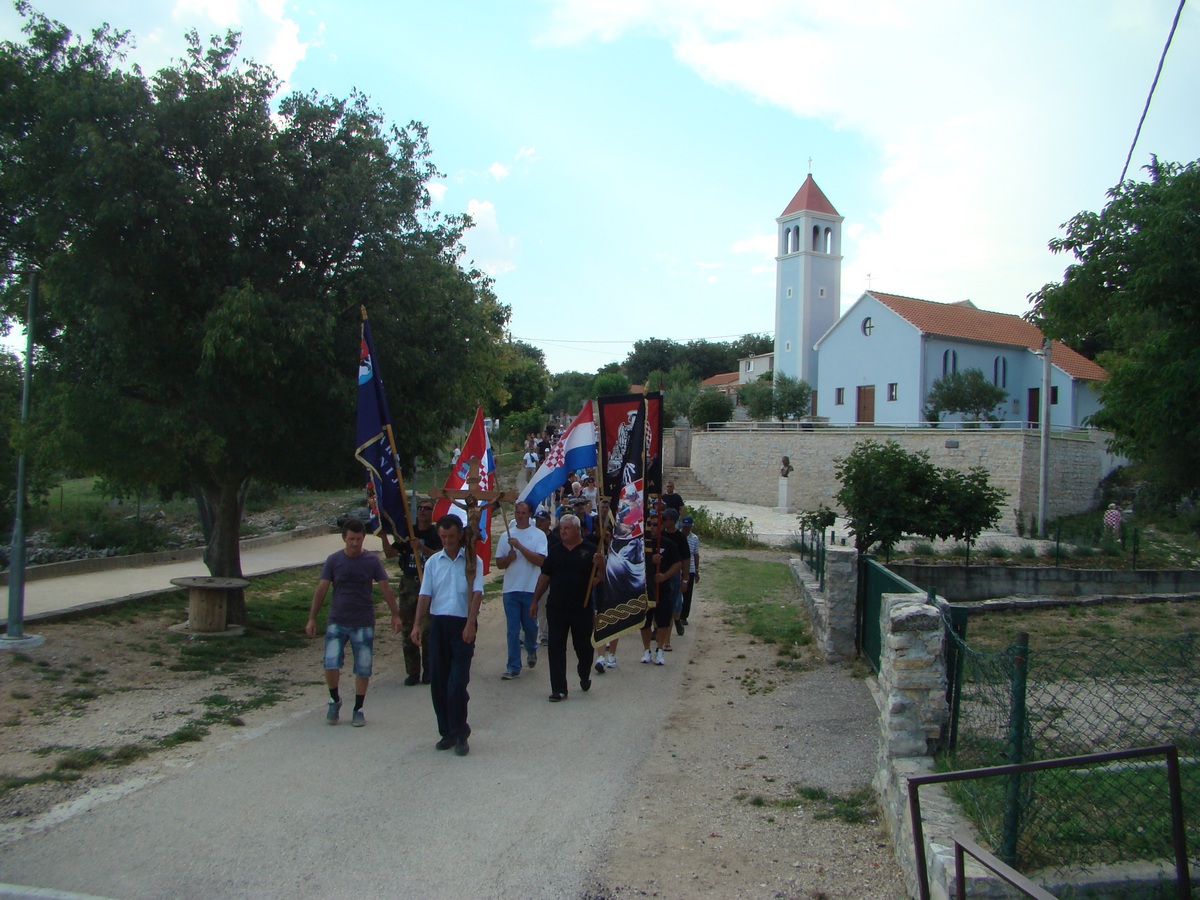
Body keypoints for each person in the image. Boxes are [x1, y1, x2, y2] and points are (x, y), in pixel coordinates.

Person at [306, 519, 400, 727]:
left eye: (358, 539)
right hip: (337, 619)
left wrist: (395, 614)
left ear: (363, 538)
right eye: (351, 539)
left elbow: (385, 588)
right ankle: (334, 699)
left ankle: (358, 708)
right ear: (344, 538)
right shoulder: (334, 560)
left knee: (363, 667)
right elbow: (321, 589)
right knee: (330, 662)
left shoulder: (372, 561)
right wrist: (312, 617)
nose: (355, 543)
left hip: (363, 620)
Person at [412, 515, 484, 757]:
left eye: (451, 537)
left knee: (457, 684)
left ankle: (461, 732)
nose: (447, 541)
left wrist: (471, 623)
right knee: (439, 682)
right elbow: (425, 595)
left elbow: (477, 593)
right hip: (439, 624)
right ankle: (447, 732)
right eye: (443, 537)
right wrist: (417, 625)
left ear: (460, 535)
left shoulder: (473, 562)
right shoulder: (433, 563)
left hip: (462, 625)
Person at [531, 514, 603, 702]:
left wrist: (600, 565)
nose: (562, 531)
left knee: (584, 648)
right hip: (557, 608)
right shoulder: (554, 551)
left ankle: (584, 672)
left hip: (582, 608)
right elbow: (545, 577)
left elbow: (600, 577)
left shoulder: (591, 550)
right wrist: (535, 601)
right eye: (561, 528)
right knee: (555, 648)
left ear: (577, 530)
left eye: (567, 528)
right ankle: (559, 688)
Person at [380, 499, 440, 685]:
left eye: (427, 509)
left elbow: (440, 555)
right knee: (408, 628)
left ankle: (429, 670)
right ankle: (412, 671)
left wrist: (421, 548)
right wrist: (383, 538)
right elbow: (391, 553)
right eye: (420, 508)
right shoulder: (408, 532)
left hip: (428, 583)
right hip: (409, 583)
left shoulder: (436, 533)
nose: (422, 511)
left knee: (428, 630)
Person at [496, 501, 547, 680]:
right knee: (512, 629)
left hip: (530, 588)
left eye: (523, 513)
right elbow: (499, 563)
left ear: (530, 514)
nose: (520, 516)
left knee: (530, 627)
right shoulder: (506, 536)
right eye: (517, 512)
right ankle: (513, 666)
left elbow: (540, 561)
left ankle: (532, 648)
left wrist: (520, 548)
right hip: (511, 589)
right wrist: (508, 558)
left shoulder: (539, 536)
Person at [639, 514, 681, 666]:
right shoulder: (641, 544)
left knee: (663, 620)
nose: (653, 527)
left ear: (661, 525)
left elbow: (677, 564)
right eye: (650, 524)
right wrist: (651, 561)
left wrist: (664, 576)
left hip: (662, 588)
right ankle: (646, 649)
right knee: (645, 621)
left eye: (656, 524)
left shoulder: (668, 544)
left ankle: (660, 649)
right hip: (646, 588)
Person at [659, 507, 690, 645]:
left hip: (674, 576)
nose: (663, 521)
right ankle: (663, 637)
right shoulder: (660, 535)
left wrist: (685, 578)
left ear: (672, 521)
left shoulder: (680, 538)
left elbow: (686, 559)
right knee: (660, 606)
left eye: (665, 519)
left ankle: (669, 636)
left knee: (674, 607)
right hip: (660, 575)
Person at [679, 514, 701, 628]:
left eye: (688, 527)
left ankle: (684, 616)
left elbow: (696, 554)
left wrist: (697, 570)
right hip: (678, 568)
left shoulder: (694, 538)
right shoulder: (678, 536)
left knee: (688, 594)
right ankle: (676, 614)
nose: (686, 529)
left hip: (691, 569)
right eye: (684, 526)